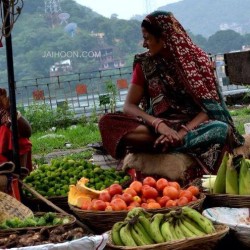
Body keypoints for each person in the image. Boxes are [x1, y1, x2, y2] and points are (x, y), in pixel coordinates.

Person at [98, 11, 244, 182]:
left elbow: (209, 108)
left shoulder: (198, 62)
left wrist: (181, 133)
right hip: (156, 128)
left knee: (220, 129)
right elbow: (129, 106)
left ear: (165, 38)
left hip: (194, 128)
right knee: (107, 122)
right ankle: (166, 141)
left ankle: (170, 143)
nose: (144, 44)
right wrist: (159, 125)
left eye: (148, 38)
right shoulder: (144, 65)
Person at [0, 88, 32, 173]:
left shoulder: (5, 118)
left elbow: (27, 132)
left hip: (11, 168)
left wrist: (10, 110)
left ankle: (18, 179)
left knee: (14, 135)